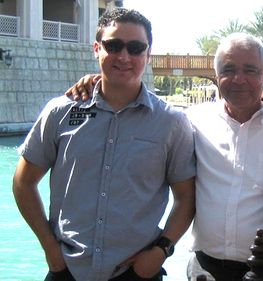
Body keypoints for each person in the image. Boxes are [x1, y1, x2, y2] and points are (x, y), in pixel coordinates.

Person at [65, 32, 263, 281]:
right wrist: (102, 82)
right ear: (216, 75)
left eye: (250, 70)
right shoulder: (192, 120)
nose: (238, 79)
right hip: (205, 268)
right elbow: (145, 110)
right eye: (229, 69)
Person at [12, 8, 195, 281]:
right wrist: (49, 247)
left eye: (135, 48)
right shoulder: (60, 112)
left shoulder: (172, 122)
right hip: (67, 269)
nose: (124, 56)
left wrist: (162, 250)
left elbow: (186, 198)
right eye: (113, 45)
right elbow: (23, 182)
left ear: (148, 53)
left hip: (137, 272)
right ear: (97, 48)